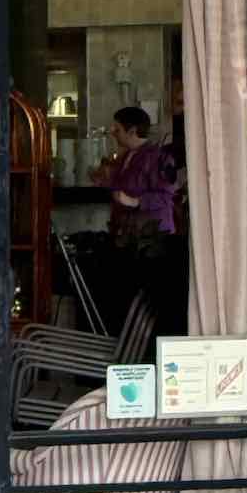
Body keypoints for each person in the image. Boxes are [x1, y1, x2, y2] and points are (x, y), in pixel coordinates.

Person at [88, 106, 183, 336]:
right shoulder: (125, 158)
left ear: (131, 130)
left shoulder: (158, 157)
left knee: (150, 298)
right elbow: (120, 189)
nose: (113, 132)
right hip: (129, 238)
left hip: (152, 239)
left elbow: (166, 195)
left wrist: (134, 201)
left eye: (117, 128)